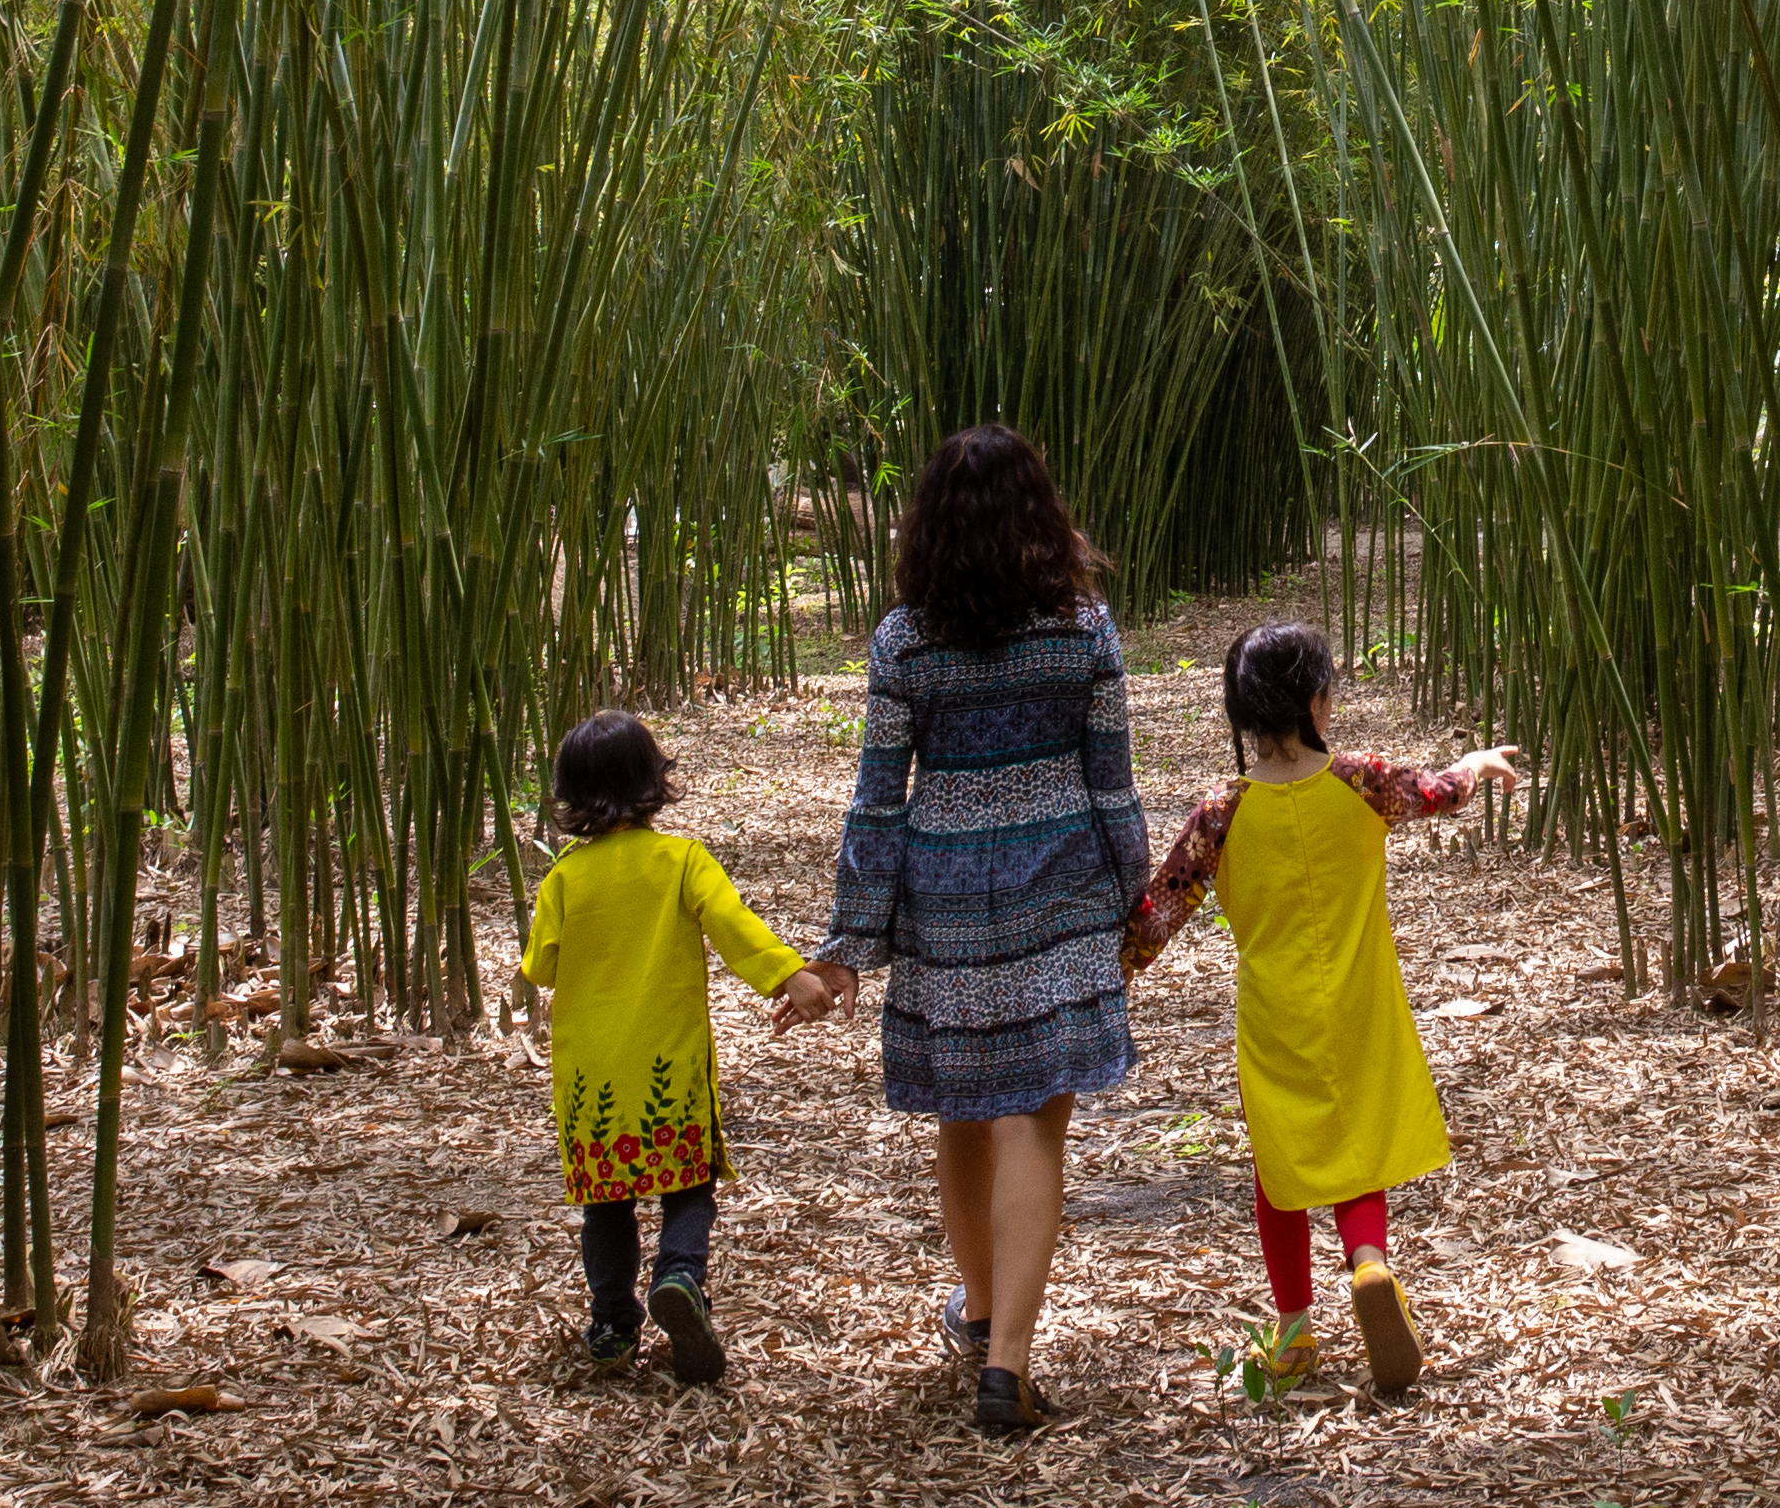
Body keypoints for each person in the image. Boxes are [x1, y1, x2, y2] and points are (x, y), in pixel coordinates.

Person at [796, 427, 1150, 1437]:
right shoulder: (1083, 628)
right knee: (1034, 1113)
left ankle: (987, 1311)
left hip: (944, 891)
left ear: (930, 526)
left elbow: (877, 801)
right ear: (1042, 513)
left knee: (965, 1110)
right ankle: (1006, 1361)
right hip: (1059, 887)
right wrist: (1136, 905)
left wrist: (851, 942)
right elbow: (1112, 784)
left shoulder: (906, 640)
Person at [1120, 621, 1518, 1394]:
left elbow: (1155, 918)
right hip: (1360, 1000)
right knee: (1356, 1146)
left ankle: (1295, 1332)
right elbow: (1437, 793)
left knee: (1282, 1164)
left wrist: (1103, 975)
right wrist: (1474, 761)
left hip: (1275, 1011)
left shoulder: (1219, 816)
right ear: (1314, 701)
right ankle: (1369, 1265)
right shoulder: (1360, 781)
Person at [519, 708, 838, 1385]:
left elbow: (541, 968)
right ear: (652, 782)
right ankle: (680, 1277)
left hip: (591, 1079)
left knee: (605, 1202)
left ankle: (611, 1322)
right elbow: (733, 925)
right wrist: (791, 975)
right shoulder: (681, 860)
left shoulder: (563, 881)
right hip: (668, 1064)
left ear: (570, 795)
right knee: (688, 1185)